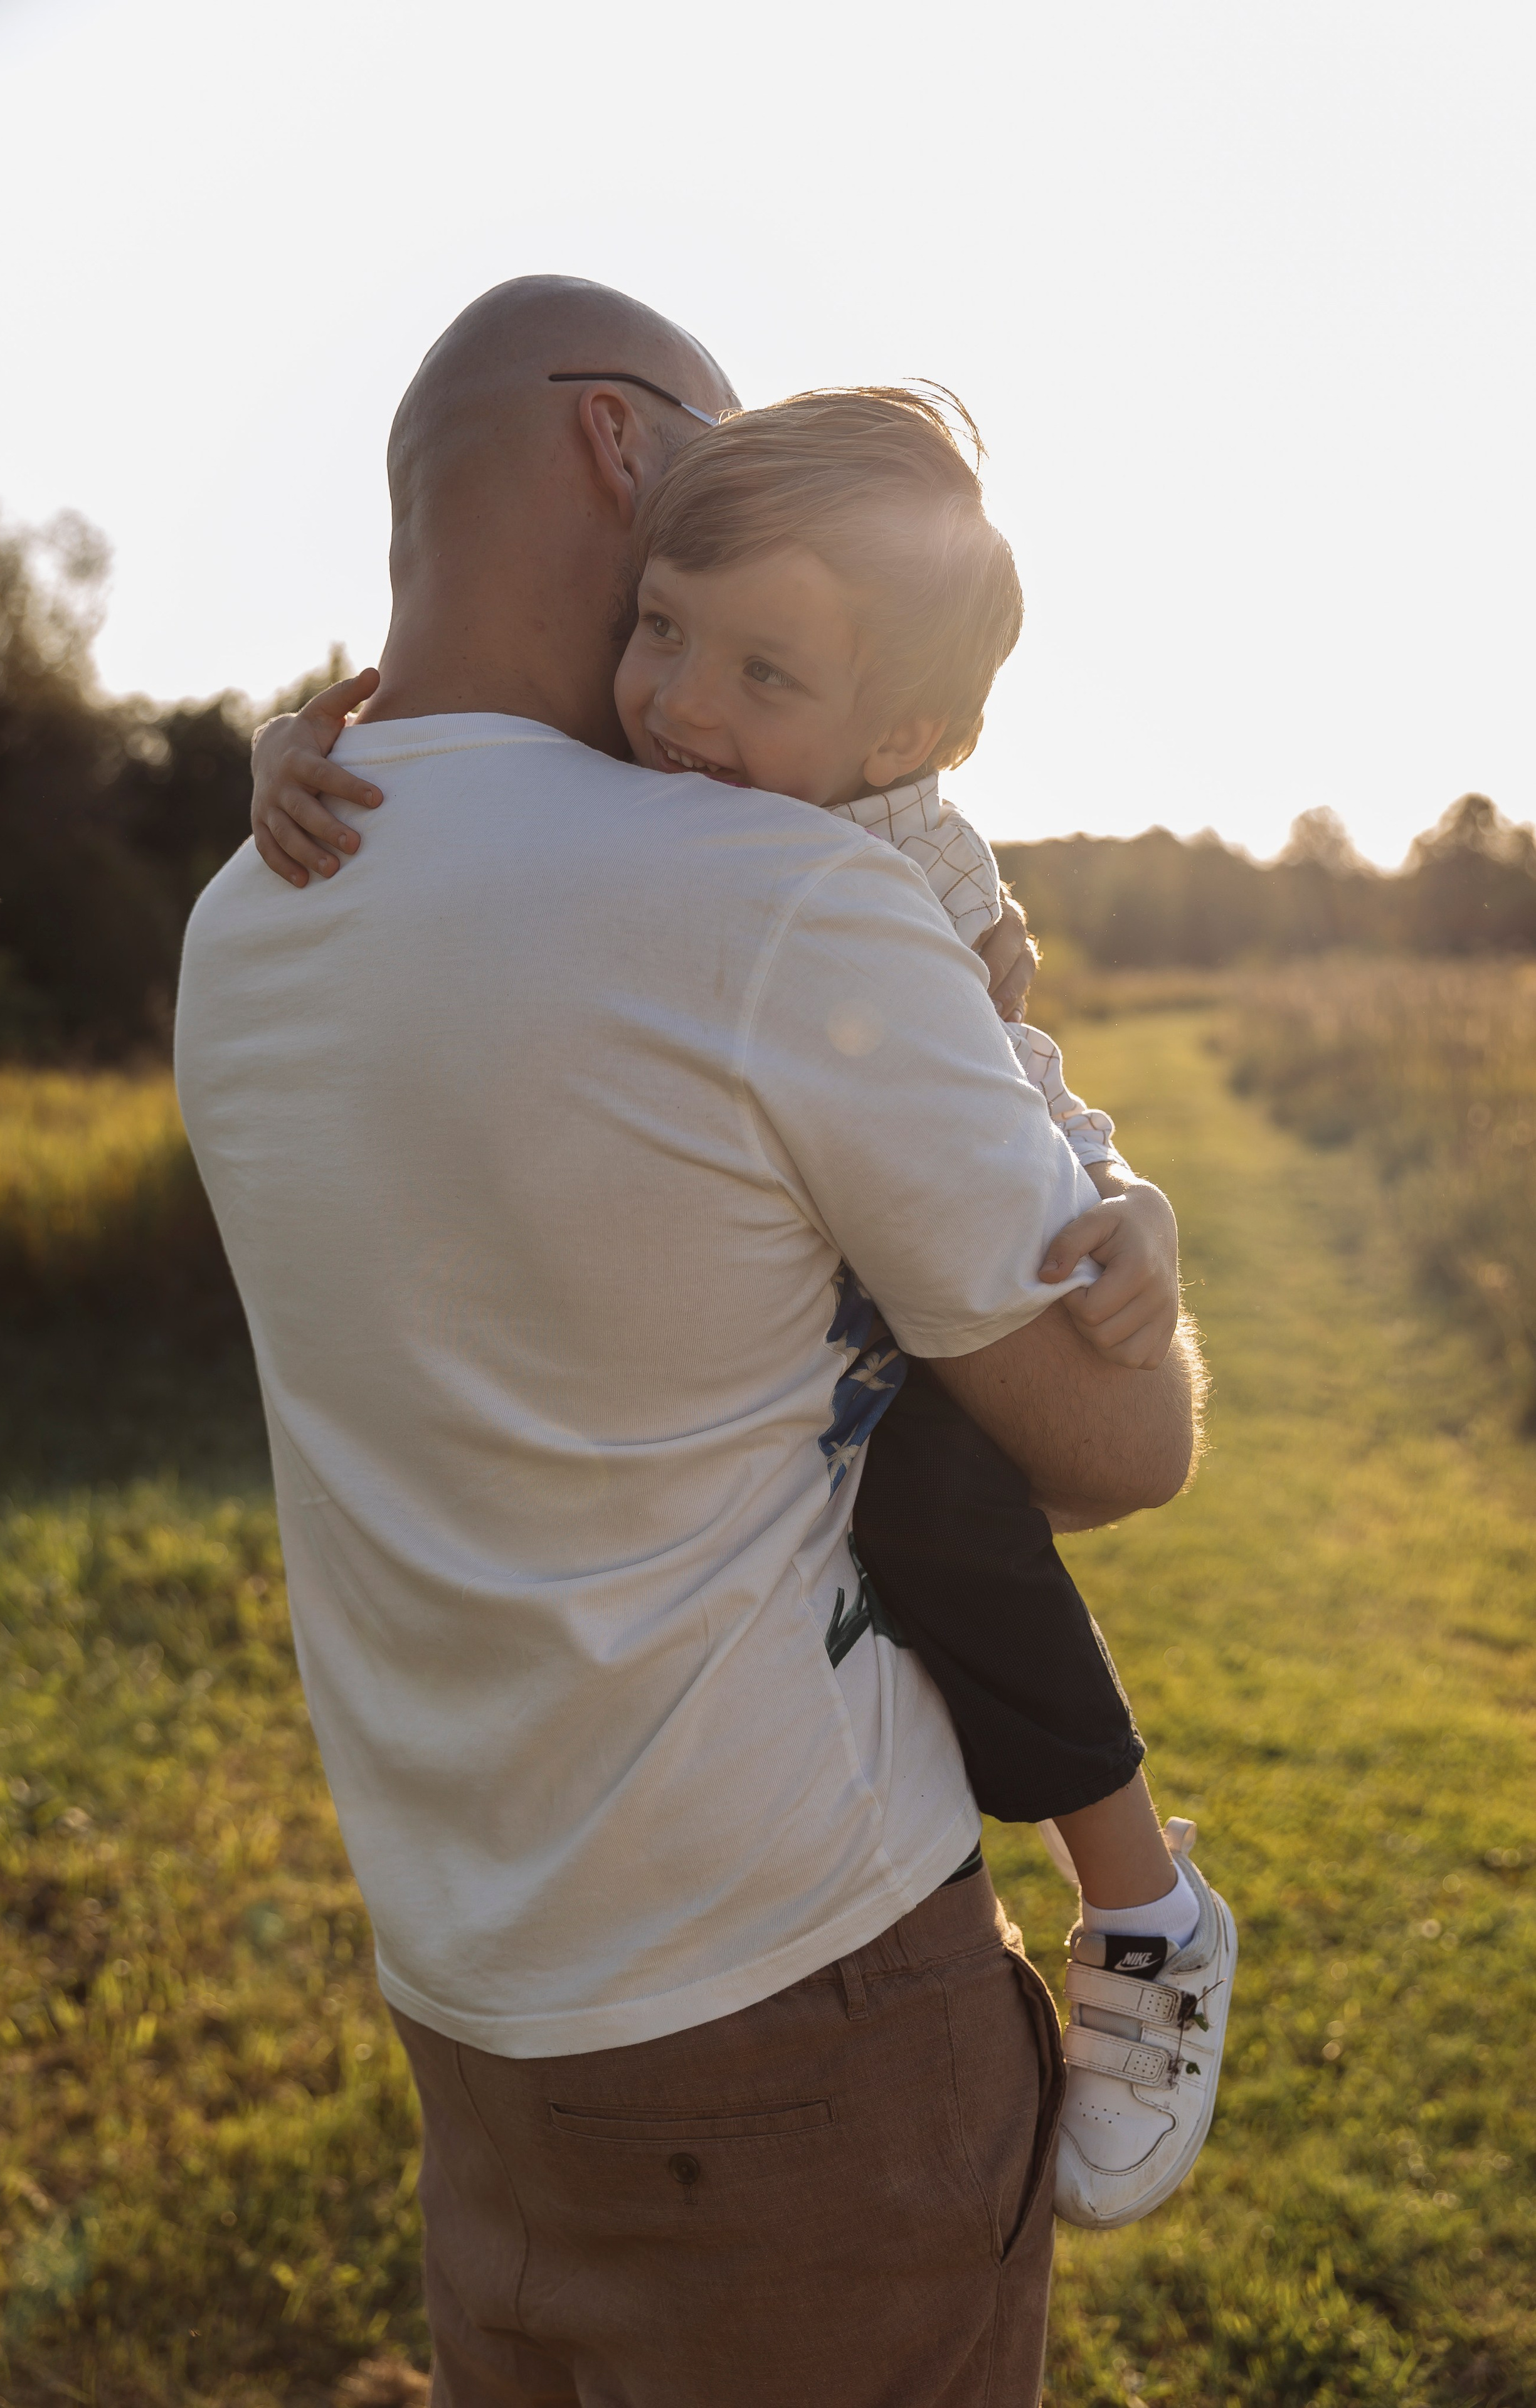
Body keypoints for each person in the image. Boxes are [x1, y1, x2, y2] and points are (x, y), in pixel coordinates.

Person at [177, 277, 1205, 2407]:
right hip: (805, 2006)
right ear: (621, 449)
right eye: (686, 592)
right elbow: (1117, 1449)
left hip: (473, 2026)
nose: (691, 689)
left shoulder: (245, 911)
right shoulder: (755, 895)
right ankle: (1153, 1900)